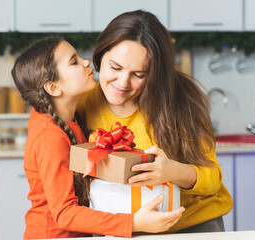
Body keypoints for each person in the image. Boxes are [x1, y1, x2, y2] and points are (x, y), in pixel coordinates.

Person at [11, 37, 185, 239]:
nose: (86, 62)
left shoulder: (60, 118)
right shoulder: (50, 136)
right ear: (53, 88)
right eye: (74, 61)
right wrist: (134, 223)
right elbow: (64, 214)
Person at [77, 10, 233, 233]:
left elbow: (212, 180)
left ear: (155, 74)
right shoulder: (83, 101)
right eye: (115, 67)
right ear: (100, 56)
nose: (122, 83)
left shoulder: (181, 100)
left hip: (190, 223)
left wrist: (171, 171)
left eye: (138, 74)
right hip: (123, 226)